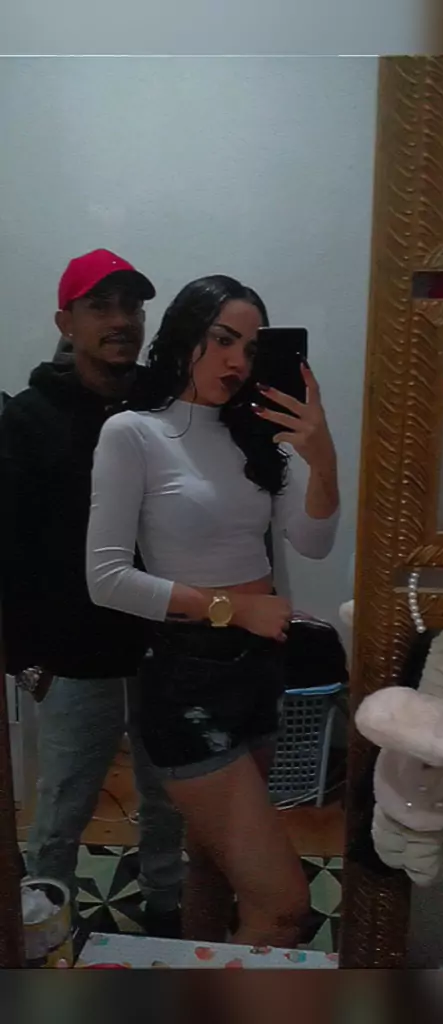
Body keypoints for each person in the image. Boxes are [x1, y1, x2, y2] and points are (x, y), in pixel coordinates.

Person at [86, 274, 340, 948]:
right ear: (183, 336)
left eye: (252, 349)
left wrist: (323, 459)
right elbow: (106, 579)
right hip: (189, 677)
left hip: (259, 670)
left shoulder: (254, 438)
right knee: (283, 904)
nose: (237, 361)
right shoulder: (133, 433)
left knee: (215, 868)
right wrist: (235, 610)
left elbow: (313, 541)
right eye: (223, 340)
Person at [0, 249, 183, 935]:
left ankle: (166, 907)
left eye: (132, 305)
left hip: (166, 639)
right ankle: (48, 921)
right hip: (74, 653)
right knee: (64, 801)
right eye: (100, 306)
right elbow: (11, 544)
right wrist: (24, 656)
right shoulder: (28, 418)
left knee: (170, 793)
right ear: (65, 322)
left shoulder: (170, 407)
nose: (121, 320)